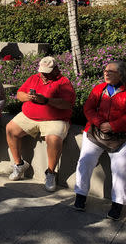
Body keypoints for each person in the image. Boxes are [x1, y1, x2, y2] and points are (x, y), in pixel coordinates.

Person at [74, 61, 126, 220]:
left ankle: (117, 205)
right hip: (95, 132)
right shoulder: (99, 88)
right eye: (105, 70)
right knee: (85, 161)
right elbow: (88, 108)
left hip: (121, 137)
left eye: (111, 71)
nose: (106, 73)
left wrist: (113, 125)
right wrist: (100, 123)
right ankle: (80, 196)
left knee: (121, 169)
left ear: (121, 74)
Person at [5, 56, 76, 192]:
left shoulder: (64, 82)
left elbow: (67, 104)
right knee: (10, 129)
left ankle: (50, 172)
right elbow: (19, 93)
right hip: (29, 115)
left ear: (56, 70)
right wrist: (26, 97)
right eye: (42, 71)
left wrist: (46, 101)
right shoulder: (34, 78)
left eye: (47, 72)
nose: (43, 75)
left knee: (54, 139)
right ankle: (19, 164)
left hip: (55, 119)